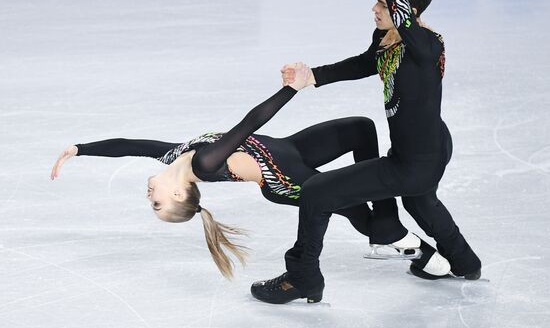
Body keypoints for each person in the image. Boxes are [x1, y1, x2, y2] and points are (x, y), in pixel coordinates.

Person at [250, 0, 482, 304]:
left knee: (316, 193)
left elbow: (404, 18)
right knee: (420, 202)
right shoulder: (387, 38)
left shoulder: (424, 44)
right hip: (427, 146)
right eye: (374, 0)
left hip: (414, 160)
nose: (374, 9)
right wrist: (313, 77)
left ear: (407, 9)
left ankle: (302, 278)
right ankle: (465, 262)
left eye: (382, 3)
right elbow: (365, 63)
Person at [51, 66, 449, 280]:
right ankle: (411, 246)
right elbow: (249, 123)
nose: (148, 197)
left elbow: (129, 145)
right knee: (354, 210)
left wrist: (80, 149)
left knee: (361, 127)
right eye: (155, 204)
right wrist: (293, 88)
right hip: (288, 181)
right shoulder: (205, 166)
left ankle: (388, 225)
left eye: (150, 202)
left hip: (292, 148)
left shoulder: (176, 156)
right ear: (177, 196)